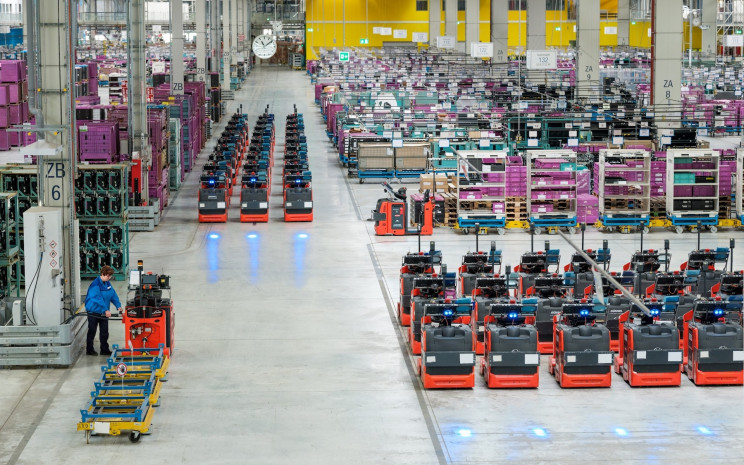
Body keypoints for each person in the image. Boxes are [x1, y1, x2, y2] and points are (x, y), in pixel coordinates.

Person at [84, 266, 123, 356]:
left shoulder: (107, 283)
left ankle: (104, 349)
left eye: (110, 276)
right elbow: (97, 299)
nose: (109, 278)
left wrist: (118, 306)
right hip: (93, 312)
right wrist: (106, 309)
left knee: (104, 332)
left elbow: (113, 295)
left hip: (104, 313)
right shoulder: (95, 285)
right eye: (108, 276)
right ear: (102, 274)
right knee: (92, 331)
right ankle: (89, 350)